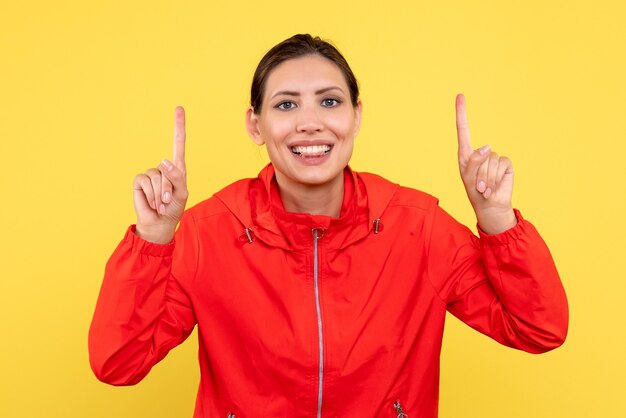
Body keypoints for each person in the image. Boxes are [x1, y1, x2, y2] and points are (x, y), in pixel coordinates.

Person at [88, 34, 568, 418]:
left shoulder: (418, 228)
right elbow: (117, 364)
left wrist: (497, 220)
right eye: (286, 105)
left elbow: (538, 330)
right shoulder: (208, 233)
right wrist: (153, 240)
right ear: (256, 125)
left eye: (330, 102)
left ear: (357, 116)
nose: (310, 123)